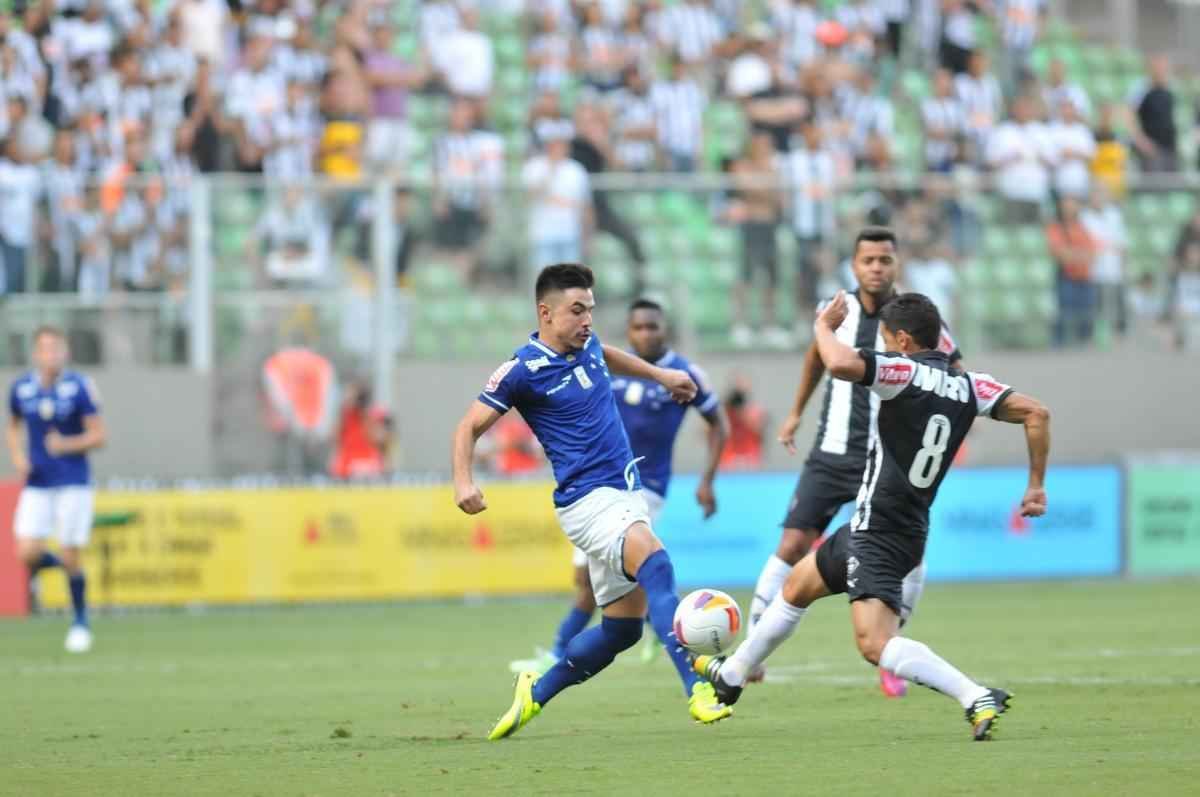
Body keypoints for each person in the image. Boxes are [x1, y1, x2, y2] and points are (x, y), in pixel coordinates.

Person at [696, 291, 1049, 741]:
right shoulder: (970, 385)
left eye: (885, 339)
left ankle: (973, 694)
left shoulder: (902, 372)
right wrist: (1035, 483)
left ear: (902, 340)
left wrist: (823, 326)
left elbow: (841, 364)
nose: (883, 346)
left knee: (873, 644)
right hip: (888, 525)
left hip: (880, 533)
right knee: (796, 587)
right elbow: (1037, 412)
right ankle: (732, 677)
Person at [452, 264, 732, 740]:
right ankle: (698, 688)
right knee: (657, 565)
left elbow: (611, 355)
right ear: (545, 312)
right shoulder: (523, 370)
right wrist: (463, 481)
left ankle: (535, 693)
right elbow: (468, 427)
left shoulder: (589, 345)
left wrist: (661, 375)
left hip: (624, 495)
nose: (587, 320)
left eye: (591, 310)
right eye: (576, 310)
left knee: (621, 631)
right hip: (588, 501)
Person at [759, 227, 961, 696]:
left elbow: (955, 376)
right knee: (792, 543)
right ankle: (755, 639)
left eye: (884, 260)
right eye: (868, 259)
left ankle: (891, 652)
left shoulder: (919, 320)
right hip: (831, 452)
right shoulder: (835, 313)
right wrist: (794, 414)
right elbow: (816, 360)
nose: (876, 267)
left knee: (908, 557)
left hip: (889, 460)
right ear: (853, 265)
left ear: (896, 265)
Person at [508, 298, 727, 674]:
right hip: (599, 483)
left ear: (665, 330)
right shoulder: (607, 364)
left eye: (652, 327)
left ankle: (562, 652)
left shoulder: (684, 371)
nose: (645, 333)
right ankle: (657, 624)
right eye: (638, 327)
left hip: (647, 485)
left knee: (611, 579)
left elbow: (718, 424)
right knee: (589, 580)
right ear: (628, 331)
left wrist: (707, 481)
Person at [6, 326, 107, 653]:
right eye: (45, 349)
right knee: (26, 553)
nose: (52, 354)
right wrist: (19, 456)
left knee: (69, 549)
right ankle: (69, 570)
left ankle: (80, 622)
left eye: (57, 348)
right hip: (38, 483)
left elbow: (99, 435)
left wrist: (66, 443)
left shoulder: (79, 387)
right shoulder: (21, 388)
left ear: (65, 352)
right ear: (36, 353)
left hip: (72, 482)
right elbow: (13, 424)